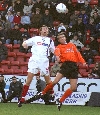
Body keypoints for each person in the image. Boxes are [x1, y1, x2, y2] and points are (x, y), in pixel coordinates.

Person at [38, 32, 86, 111]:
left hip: (74, 66)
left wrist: (83, 62)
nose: (62, 38)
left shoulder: (71, 45)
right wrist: (58, 59)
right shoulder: (58, 47)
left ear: (65, 37)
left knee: (73, 87)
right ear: (59, 40)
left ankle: (60, 101)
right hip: (66, 65)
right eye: (60, 38)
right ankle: (42, 92)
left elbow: (78, 54)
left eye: (63, 37)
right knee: (55, 81)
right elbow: (57, 55)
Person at [18, 25, 55, 107]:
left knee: (48, 80)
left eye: (47, 29)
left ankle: (52, 93)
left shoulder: (50, 41)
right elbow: (25, 43)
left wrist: (59, 56)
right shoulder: (35, 38)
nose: (46, 30)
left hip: (44, 60)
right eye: (44, 29)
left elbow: (54, 51)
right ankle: (22, 98)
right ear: (40, 31)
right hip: (34, 60)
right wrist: (24, 44)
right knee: (29, 79)